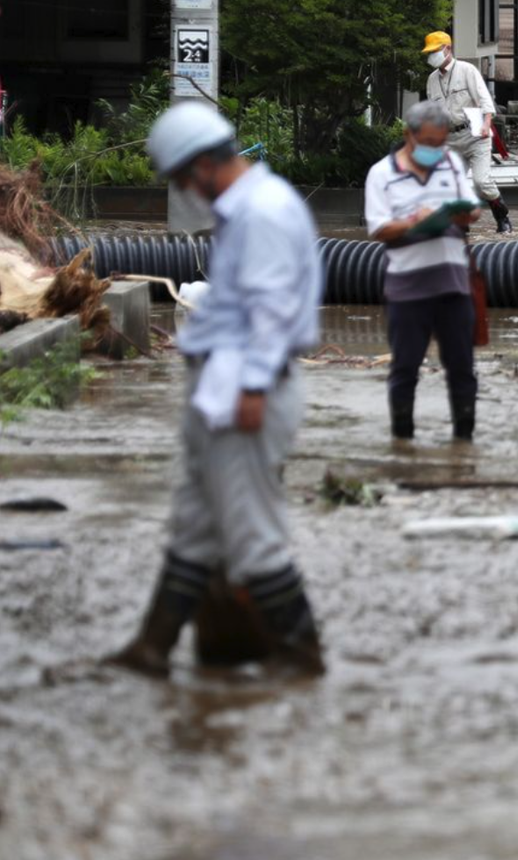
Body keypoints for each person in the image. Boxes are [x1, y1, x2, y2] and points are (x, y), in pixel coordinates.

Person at [108, 101, 325, 678]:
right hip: (224, 383)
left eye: (182, 178)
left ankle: (301, 655)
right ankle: (151, 649)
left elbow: (274, 310)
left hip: (247, 386)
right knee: (195, 523)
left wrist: (253, 387)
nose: (184, 189)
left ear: (203, 164)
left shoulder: (261, 212)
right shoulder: (245, 208)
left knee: (252, 530)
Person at [364, 100, 480, 443]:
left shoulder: (452, 164)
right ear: (408, 135)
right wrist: (415, 221)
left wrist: (461, 215)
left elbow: (472, 212)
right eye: (428, 142)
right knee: (405, 370)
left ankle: (464, 444)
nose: (435, 150)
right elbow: (379, 229)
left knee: (462, 370)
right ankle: (403, 443)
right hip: (407, 290)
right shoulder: (381, 174)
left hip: (454, 286)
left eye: (440, 142)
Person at [422, 30, 513, 234]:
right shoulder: (431, 80)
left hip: (475, 136)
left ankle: (502, 216)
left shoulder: (467, 70)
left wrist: (486, 123)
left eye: (435, 51)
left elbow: (484, 99)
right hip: (449, 139)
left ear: (448, 49)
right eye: (429, 52)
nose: (431, 56)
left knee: (482, 181)